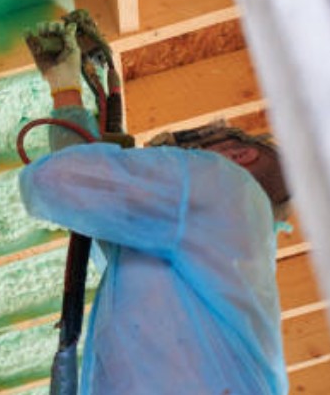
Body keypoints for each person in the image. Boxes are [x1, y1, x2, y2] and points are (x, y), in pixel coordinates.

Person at [20, 21, 291, 395]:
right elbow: (92, 202)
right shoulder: (220, 255)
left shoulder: (225, 181)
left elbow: (59, 180)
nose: (184, 158)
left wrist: (67, 90)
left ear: (239, 156)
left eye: (199, 149)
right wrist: (65, 88)